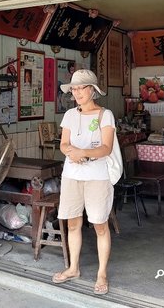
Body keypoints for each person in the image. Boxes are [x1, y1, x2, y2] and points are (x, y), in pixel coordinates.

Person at [52, 69, 115, 296]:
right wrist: (73, 152)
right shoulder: (69, 115)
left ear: (93, 90)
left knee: (99, 225)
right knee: (72, 224)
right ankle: (73, 268)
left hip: (97, 178)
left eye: (81, 88)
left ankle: (101, 274)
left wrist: (84, 154)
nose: (77, 92)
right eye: (74, 88)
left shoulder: (105, 115)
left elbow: (106, 148)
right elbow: (63, 144)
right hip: (71, 176)